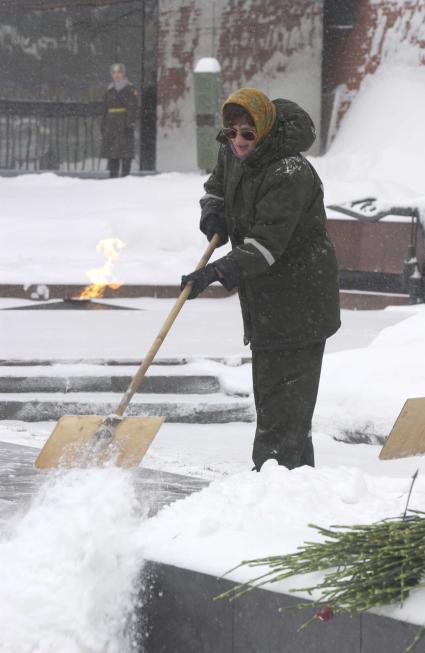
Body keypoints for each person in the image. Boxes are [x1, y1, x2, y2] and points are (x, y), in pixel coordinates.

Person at [181, 88, 340, 471]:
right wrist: (214, 213)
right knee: (276, 405)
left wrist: (219, 270)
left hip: (300, 299)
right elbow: (216, 187)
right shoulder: (233, 154)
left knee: (285, 408)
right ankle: (293, 485)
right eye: (232, 131)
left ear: (264, 131)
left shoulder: (290, 173)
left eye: (247, 134)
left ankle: (272, 479)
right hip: (265, 301)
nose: (237, 141)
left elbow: (267, 244)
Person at [101, 63, 138, 178]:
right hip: (111, 124)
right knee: (113, 154)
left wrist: (129, 123)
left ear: (123, 74)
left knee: (125, 153)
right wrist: (104, 124)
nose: (117, 75)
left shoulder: (129, 88)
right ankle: (113, 176)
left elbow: (133, 107)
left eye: (119, 72)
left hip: (124, 123)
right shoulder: (109, 89)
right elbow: (105, 108)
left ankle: (125, 176)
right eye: (114, 73)